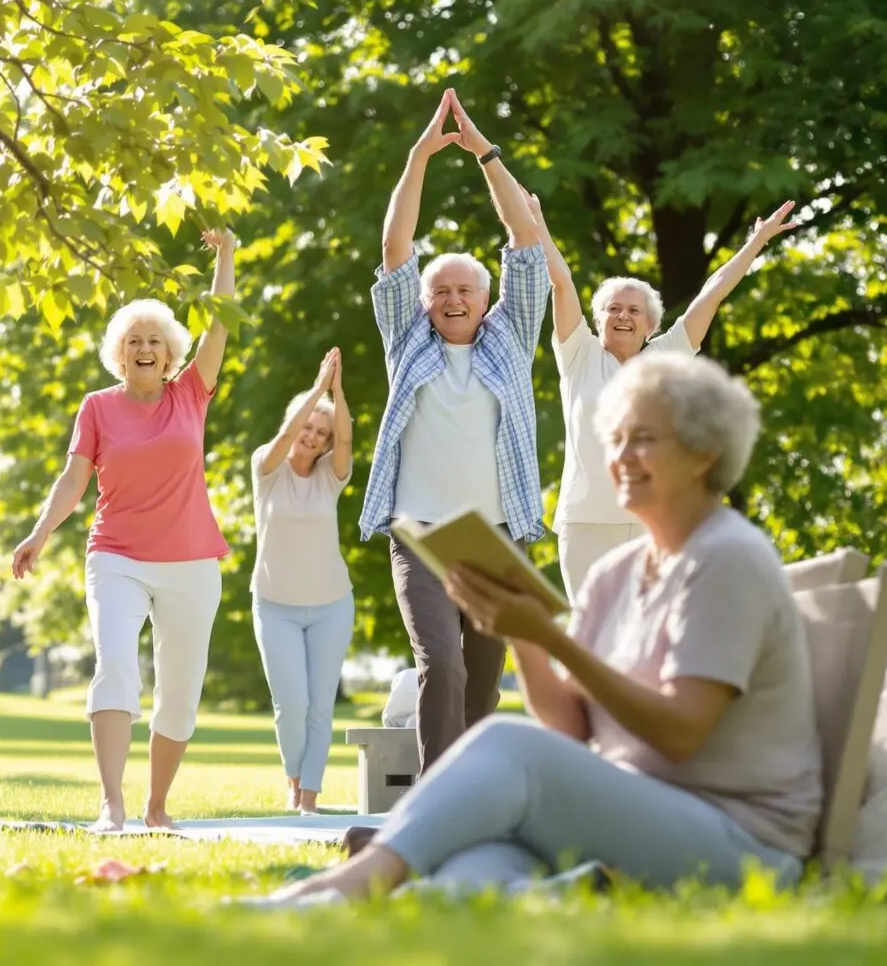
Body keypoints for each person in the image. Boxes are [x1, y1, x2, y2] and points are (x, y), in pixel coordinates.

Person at [276, 352, 821, 901]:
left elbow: (681, 733)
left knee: (506, 741)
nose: (621, 457)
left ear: (704, 453)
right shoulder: (617, 574)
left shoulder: (726, 558)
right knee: (473, 869)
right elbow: (573, 728)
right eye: (615, 439)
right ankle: (327, 911)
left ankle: (345, 884)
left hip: (739, 841)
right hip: (636, 816)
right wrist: (518, 629)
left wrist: (551, 636)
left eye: (644, 439)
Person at [11, 229, 238, 831]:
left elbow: (219, 327)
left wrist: (224, 257)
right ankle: (111, 803)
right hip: (117, 556)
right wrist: (38, 533)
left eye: (155, 341)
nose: (145, 348)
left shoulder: (191, 392)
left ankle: (156, 806)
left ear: (169, 354)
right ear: (119, 353)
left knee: (181, 688)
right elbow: (72, 480)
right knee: (116, 665)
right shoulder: (97, 406)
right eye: (133, 340)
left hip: (192, 562)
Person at [360, 88, 552, 775]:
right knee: (438, 660)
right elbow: (394, 245)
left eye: (464, 289)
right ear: (423, 302)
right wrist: (418, 159)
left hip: (495, 535)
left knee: (482, 672)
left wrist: (486, 156)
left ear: (485, 297)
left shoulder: (510, 340)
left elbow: (527, 244)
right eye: (439, 291)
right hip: (420, 532)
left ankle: (469, 785)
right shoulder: (407, 344)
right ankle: (436, 792)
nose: (451, 299)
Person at [543, 195, 801, 597]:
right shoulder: (580, 354)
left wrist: (756, 242)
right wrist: (536, 221)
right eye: (614, 309)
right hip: (587, 524)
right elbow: (560, 279)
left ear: (650, 325)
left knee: (652, 632)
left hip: (656, 518)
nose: (623, 316)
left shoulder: (666, 356)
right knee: (594, 639)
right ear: (598, 321)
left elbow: (712, 293)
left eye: (633, 310)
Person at [250, 348, 354, 815]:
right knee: (290, 704)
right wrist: (316, 392)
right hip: (275, 605)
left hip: (332, 604)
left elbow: (348, 444)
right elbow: (289, 433)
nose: (311, 436)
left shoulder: (330, 478)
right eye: (307, 426)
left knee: (319, 707)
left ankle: (308, 796)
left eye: (322, 433)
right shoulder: (265, 469)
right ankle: (293, 779)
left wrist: (337, 391)